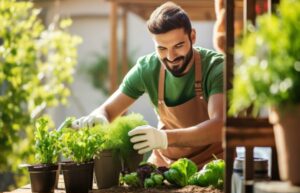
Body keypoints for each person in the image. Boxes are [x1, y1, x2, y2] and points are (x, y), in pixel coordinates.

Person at [73, 1, 224, 169]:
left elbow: (219, 125)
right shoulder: (147, 69)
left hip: (211, 165)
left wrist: (164, 138)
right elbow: (107, 110)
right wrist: (99, 118)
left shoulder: (215, 68)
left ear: (193, 36)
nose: (171, 56)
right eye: (162, 48)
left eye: (178, 46)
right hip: (165, 166)